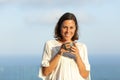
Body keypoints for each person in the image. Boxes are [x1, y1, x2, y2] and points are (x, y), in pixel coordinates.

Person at [38, 12, 91, 80]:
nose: (68, 31)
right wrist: (59, 53)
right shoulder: (50, 45)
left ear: (75, 29)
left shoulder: (82, 47)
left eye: (71, 27)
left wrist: (77, 55)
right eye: (65, 27)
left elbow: (85, 75)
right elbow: (45, 72)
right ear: (60, 27)